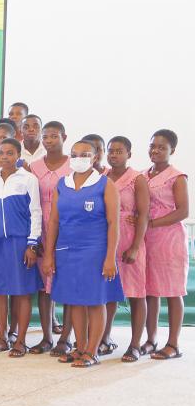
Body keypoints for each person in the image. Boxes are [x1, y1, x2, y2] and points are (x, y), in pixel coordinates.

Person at [42, 140, 123, 368]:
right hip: (66, 251)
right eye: (75, 154)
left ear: (95, 157)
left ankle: (92, 351)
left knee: (95, 301)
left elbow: (113, 224)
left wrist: (110, 257)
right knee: (75, 301)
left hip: (95, 251)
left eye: (85, 154)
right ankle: (80, 347)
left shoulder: (105, 184)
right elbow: (54, 221)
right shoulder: (62, 184)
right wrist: (49, 254)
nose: (79, 158)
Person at [0, 138, 42, 357]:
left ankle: (20, 340)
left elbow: (36, 212)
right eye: (1, 153)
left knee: (21, 292)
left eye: (10, 153)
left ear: (18, 155)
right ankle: (2, 337)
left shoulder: (28, 179)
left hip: (19, 241)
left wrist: (32, 243)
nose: (5, 157)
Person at [143, 129, 188, 361]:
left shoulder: (177, 177)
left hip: (169, 239)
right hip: (147, 239)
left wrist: (152, 222)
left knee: (172, 291)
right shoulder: (142, 175)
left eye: (162, 147)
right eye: (153, 146)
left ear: (172, 150)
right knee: (150, 290)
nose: (156, 150)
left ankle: (173, 344)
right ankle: (151, 340)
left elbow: (183, 211)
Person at [105, 137, 151, 362]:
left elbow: (143, 214)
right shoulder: (102, 177)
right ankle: (104, 338)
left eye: (119, 151)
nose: (114, 155)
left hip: (130, 238)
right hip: (106, 239)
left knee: (135, 294)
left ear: (129, 154)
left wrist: (135, 247)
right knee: (108, 293)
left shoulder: (137, 179)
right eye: (110, 151)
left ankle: (134, 345)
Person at [28, 120, 72, 355]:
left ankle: (65, 337)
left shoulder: (74, 166)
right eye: (45, 136)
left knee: (66, 283)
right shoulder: (33, 166)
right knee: (44, 286)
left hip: (66, 227)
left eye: (54, 136)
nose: (48, 140)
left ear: (64, 136)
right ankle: (46, 337)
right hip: (39, 227)